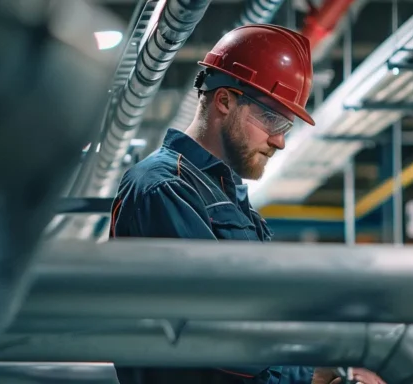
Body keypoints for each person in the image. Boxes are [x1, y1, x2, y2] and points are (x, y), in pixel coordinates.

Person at [109, 24, 385, 384]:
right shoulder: (164, 187)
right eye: (271, 119)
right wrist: (308, 376)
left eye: (285, 126)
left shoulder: (222, 193)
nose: (279, 141)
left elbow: (257, 318)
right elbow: (207, 333)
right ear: (225, 101)